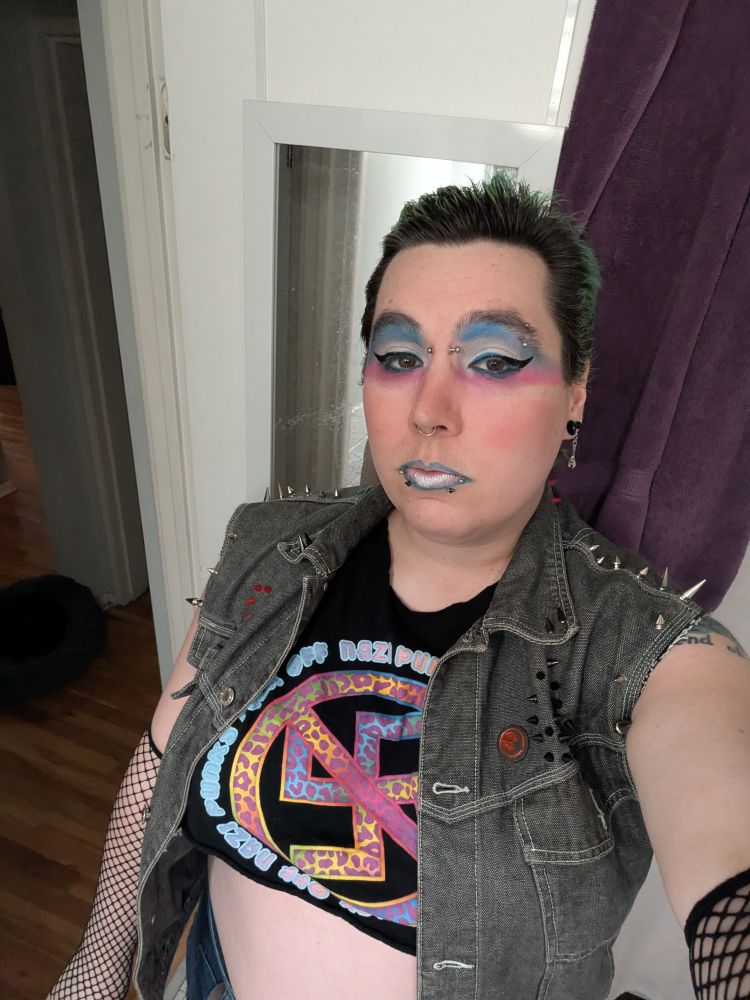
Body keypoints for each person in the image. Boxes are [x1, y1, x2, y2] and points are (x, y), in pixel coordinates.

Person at [48, 174, 750, 1000]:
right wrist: (97, 964)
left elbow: (724, 845)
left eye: (493, 360)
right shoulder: (270, 545)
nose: (431, 408)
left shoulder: (641, 649)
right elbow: (162, 756)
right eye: (399, 356)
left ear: (575, 395)